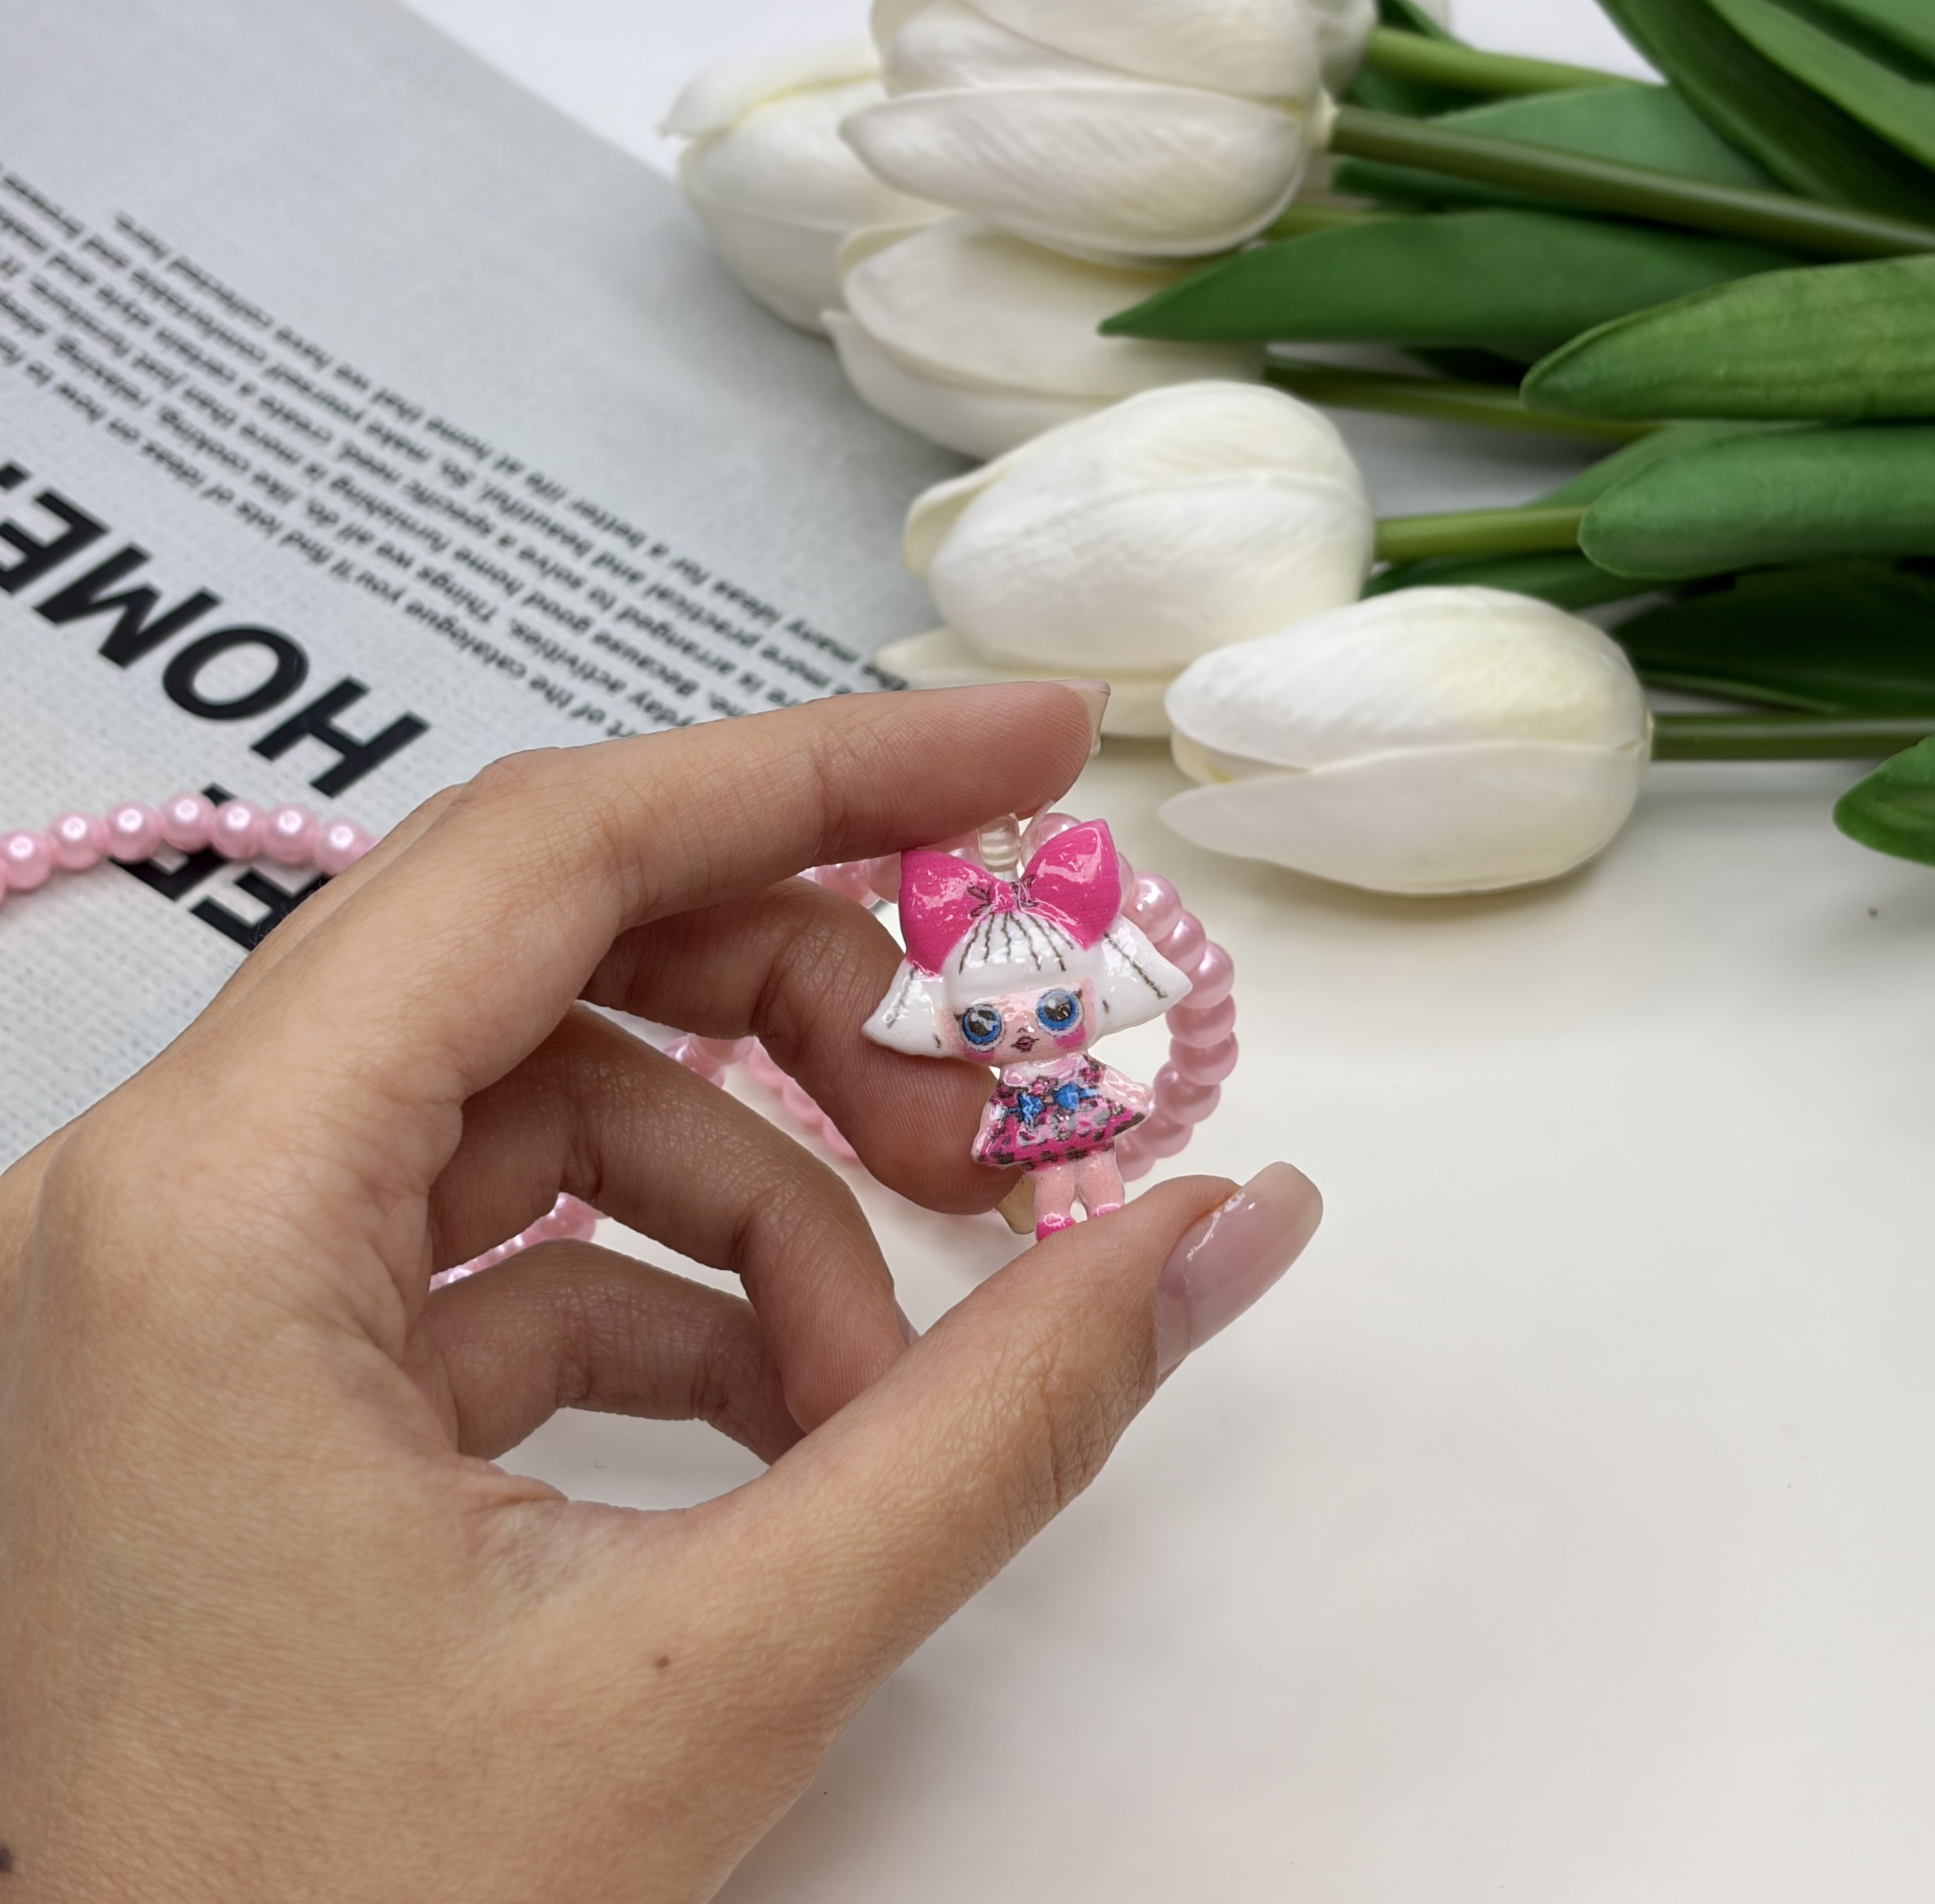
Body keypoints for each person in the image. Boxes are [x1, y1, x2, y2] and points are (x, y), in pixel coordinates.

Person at [0, 684, 1320, 1901]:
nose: (1021, 1030)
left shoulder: (1073, 1000)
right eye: (986, 1023)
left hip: (1063, 1123)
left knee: (1071, 1185)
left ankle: (1080, 1218)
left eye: (1042, 1016)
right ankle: (1078, 1226)